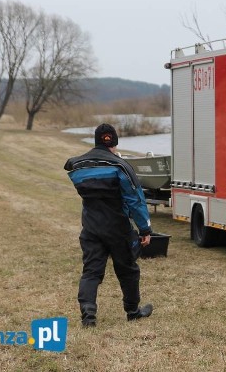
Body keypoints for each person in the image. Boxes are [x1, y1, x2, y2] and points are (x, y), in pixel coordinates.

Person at [64, 123, 153, 327]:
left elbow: (72, 169)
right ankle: (132, 311)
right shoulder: (120, 165)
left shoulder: (78, 166)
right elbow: (135, 200)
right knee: (128, 269)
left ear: (96, 140)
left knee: (92, 271)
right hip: (118, 228)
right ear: (114, 142)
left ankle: (88, 312)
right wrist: (145, 229)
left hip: (91, 227)